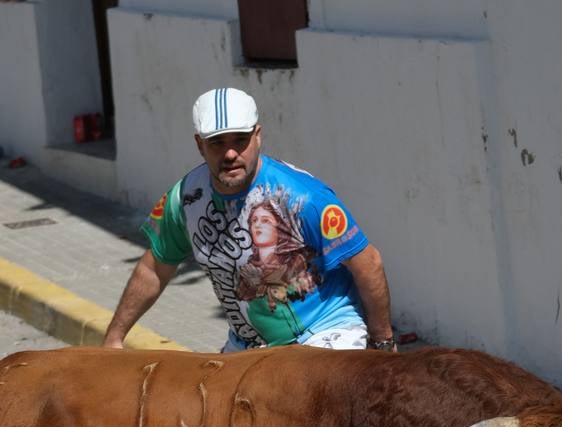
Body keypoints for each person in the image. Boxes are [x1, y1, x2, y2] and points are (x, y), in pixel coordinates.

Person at [103, 87, 396, 352]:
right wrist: (113, 340)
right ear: (199, 144)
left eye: (240, 140)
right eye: (217, 142)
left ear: (257, 136)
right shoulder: (185, 199)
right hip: (249, 345)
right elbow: (154, 268)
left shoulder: (301, 196)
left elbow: (367, 262)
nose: (230, 153)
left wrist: (382, 344)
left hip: (325, 333)